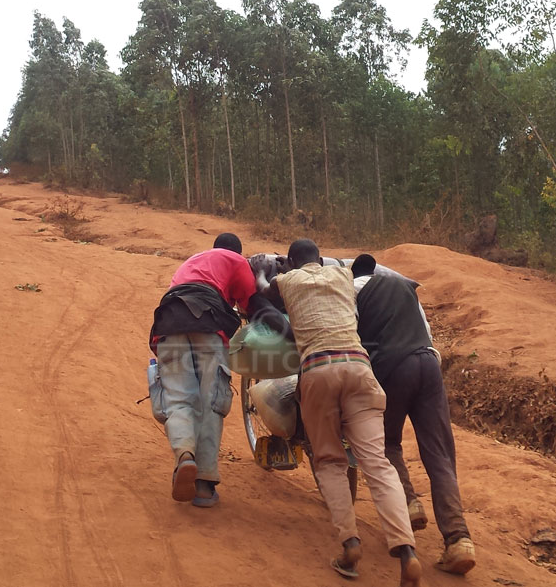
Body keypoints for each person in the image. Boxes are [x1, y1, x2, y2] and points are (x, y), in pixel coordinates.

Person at [271, 238, 422, 586]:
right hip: (358, 369)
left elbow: (263, 300)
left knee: (329, 461)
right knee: (378, 464)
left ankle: (350, 545)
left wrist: (279, 276)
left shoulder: (287, 281)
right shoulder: (342, 275)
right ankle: (407, 552)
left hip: (318, 372)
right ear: (321, 259)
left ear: (292, 262)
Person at [352, 254, 477, 575]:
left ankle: (408, 504)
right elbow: (425, 328)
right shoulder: (404, 287)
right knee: (439, 456)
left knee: (387, 442)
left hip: (394, 368)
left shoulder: (351, 289)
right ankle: (458, 539)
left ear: (354, 273)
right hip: (428, 363)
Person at [148, 232, 257, 508]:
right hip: (208, 324)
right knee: (211, 401)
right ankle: (205, 486)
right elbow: (251, 304)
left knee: (177, 398)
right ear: (237, 251)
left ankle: (185, 455)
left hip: (168, 323)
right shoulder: (235, 259)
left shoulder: (193, 262)